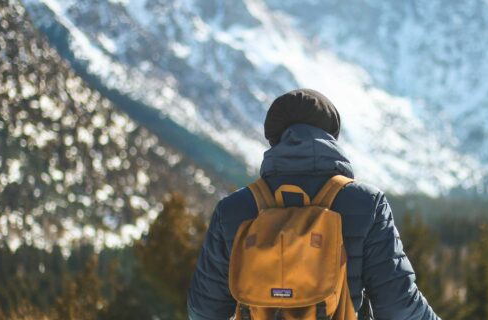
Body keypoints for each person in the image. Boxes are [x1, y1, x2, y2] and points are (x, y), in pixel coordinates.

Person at [187, 89, 440, 319]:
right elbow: (399, 306)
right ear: (331, 138)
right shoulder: (367, 203)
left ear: (275, 139)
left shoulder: (233, 209)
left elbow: (203, 311)